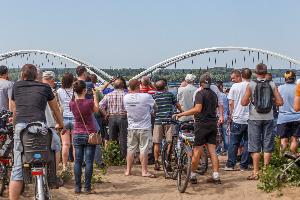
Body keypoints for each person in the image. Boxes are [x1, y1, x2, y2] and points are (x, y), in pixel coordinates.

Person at [9, 64, 64, 200]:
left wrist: (15, 126)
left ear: (22, 75)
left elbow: (14, 110)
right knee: (56, 145)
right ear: (37, 76)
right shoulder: (45, 87)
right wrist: (61, 124)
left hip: (21, 128)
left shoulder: (16, 86)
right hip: (40, 126)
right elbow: (55, 109)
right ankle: (53, 175)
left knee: (17, 167)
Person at [174, 73, 221, 184]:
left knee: (197, 151)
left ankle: (193, 175)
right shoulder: (214, 94)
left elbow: (197, 109)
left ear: (200, 83)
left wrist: (182, 114)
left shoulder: (200, 93)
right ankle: (216, 176)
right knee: (213, 151)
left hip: (202, 125)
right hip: (212, 124)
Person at [241, 63, 283, 180]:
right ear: (266, 72)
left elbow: (243, 102)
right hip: (269, 118)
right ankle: (266, 172)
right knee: (267, 146)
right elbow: (280, 102)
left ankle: (255, 172)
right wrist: (271, 100)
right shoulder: (272, 84)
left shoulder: (251, 84)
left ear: (255, 73)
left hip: (254, 118)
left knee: (255, 146)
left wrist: (251, 99)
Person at [69, 80, 99, 194]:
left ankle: (77, 187)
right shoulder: (89, 102)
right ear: (85, 90)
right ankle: (87, 188)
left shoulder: (72, 103)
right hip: (89, 133)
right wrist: (95, 96)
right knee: (89, 162)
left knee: (77, 161)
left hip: (77, 133)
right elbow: (96, 110)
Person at [123, 79, 156, 177]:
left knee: (130, 149)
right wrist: (152, 111)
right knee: (144, 149)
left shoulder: (126, 97)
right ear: (139, 85)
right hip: (144, 127)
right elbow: (155, 106)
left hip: (132, 126)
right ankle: (144, 171)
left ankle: (128, 170)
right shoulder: (146, 96)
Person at [152, 80, 183, 170]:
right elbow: (177, 105)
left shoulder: (154, 96)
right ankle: (168, 160)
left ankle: (157, 162)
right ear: (165, 86)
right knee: (170, 142)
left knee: (157, 142)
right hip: (169, 121)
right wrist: (182, 112)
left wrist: (155, 115)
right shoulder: (170, 95)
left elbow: (152, 109)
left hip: (158, 121)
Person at [225, 68, 252, 171]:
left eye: (233, 78)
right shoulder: (252, 85)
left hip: (237, 118)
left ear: (239, 76)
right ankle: (244, 165)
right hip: (250, 118)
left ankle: (230, 164)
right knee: (247, 142)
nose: (231, 80)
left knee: (234, 142)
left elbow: (231, 103)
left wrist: (231, 114)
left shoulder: (234, 87)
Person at [100, 77, 128, 159]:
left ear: (114, 86)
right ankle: (123, 157)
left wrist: (105, 114)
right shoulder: (126, 95)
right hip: (123, 117)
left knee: (112, 138)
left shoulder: (109, 95)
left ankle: (113, 157)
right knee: (123, 138)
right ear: (123, 85)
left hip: (112, 117)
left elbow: (100, 105)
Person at [277, 71, 300, 154]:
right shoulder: (298, 88)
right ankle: (292, 158)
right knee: (295, 139)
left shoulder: (279, 88)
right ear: (294, 78)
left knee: (283, 140)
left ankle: (282, 158)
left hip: (283, 118)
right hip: (297, 117)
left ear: (285, 78)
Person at [57, 72, 75, 170]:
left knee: (65, 144)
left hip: (64, 119)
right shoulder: (75, 91)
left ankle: (64, 165)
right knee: (75, 144)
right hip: (75, 119)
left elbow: (59, 104)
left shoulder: (59, 91)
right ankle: (77, 164)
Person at [216, 81, 229, 154]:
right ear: (221, 86)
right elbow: (228, 107)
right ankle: (227, 150)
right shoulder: (224, 95)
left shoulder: (215, 95)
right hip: (225, 116)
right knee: (226, 135)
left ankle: (218, 150)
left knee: (218, 135)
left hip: (217, 117)